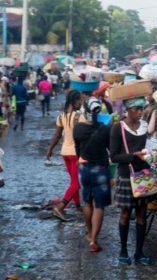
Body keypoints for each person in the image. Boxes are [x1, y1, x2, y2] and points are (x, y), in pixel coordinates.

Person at [109, 96, 153, 265]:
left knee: (142, 214)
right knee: (125, 213)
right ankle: (123, 251)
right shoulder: (117, 128)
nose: (141, 112)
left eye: (142, 109)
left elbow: (148, 147)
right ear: (128, 110)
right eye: (137, 109)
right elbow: (114, 156)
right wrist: (132, 156)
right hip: (126, 176)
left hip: (143, 175)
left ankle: (139, 252)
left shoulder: (144, 127)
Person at [73, 101, 112, 253]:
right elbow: (111, 149)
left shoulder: (78, 128)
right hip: (101, 169)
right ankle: (94, 239)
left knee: (87, 203)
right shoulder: (105, 129)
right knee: (99, 205)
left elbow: (77, 150)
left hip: (84, 169)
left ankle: (90, 234)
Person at [47, 90, 84, 221]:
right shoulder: (80, 117)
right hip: (76, 154)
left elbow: (57, 135)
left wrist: (50, 149)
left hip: (65, 153)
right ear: (74, 101)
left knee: (74, 182)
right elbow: (84, 136)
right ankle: (60, 207)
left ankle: (78, 207)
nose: (81, 102)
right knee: (76, 184)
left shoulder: (61, 116)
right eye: (80, 100)